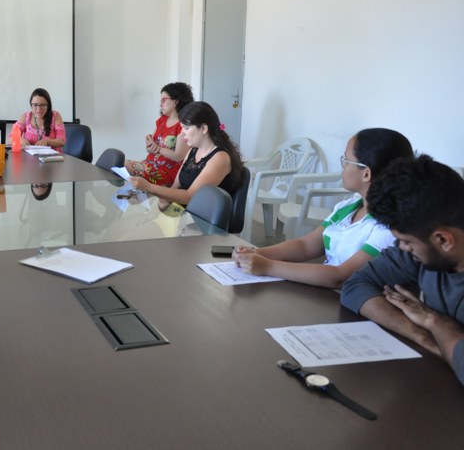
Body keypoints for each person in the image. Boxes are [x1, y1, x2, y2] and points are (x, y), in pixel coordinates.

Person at [233, 128, 414, 288]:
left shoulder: (388, 228)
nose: (342, 166)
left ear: (366, 174)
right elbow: (305, 246)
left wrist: (268, 266)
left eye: (346, 160)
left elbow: (339, 277)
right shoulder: (348, 208)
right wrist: (256, 253)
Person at [340, 155, 464, 384]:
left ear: (443, 240)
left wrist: (436, 323)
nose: (402, 248)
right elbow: (355, 286)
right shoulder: (423, 246)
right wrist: (423, 335)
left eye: (407, 242)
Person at [129, 101, 242, 210]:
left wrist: (149, 187)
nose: (182, 133)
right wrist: (149, 196)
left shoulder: (221, 158)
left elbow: (190, 196)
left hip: (199, 217)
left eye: (186, 128)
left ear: (204, 129)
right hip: (181, 211)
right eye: (182, 127)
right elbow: (175, 188)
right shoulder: (193, 151)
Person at [125, 82, 194, 186]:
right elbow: (151, 149)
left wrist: (157, 148)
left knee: (123, 165)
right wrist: (150, 146)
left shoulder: (183, 125)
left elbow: (179, 156)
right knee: (120, 165)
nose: (160, 104)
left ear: (175, 101)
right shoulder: (162, 120)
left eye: (163, 100)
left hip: (167, 171)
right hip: (150, 165)